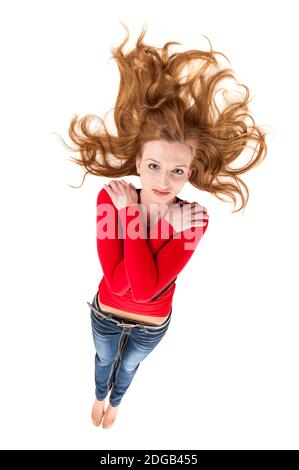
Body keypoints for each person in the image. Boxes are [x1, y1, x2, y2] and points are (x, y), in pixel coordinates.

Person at [61, 22, 268, 429]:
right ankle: (98, 394)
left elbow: (144, 287)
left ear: (190, 172)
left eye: (177, 170)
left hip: (152, 325)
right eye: (153, 166)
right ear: (138, 162)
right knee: (104, 359)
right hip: (105, 313)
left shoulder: (193, 217)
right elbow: (120, 284)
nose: (163, 181)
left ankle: (115, 402)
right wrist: (150, 223)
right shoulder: (110, 197)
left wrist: (131, 217)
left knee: (129, 367)